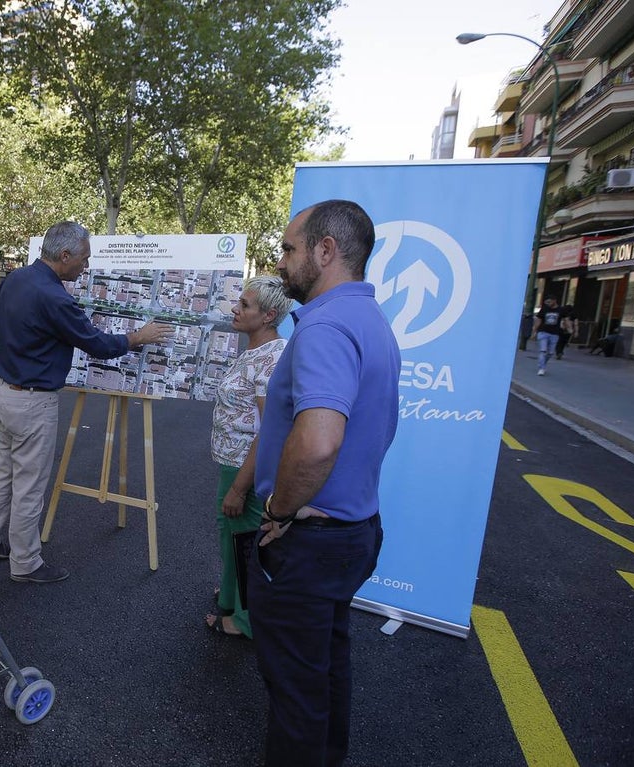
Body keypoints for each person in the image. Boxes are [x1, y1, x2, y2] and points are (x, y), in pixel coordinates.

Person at [249, 200, 399, 767]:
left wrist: (280, 512)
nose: (282, 262)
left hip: (311, 543)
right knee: (326, 667)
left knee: (296, 694)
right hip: (353, 531)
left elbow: (318, 442)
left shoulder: (327, 326)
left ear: (326, 251)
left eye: (290, 249)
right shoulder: (369, 320)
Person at [0, 221, 174, 584]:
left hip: (3, 390)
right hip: (33, 401)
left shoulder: (14, 279)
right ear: (64, 256)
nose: (86, 266)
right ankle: (26, 562)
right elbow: (95, 343)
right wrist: (137, 336)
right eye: (83, 259)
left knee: (3, 472)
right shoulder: (55, 297)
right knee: (30, 485)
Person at [205, 276, 291, 639]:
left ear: (269, 315)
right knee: (231, 534)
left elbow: (269, 430)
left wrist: (240, 487)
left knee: (247, 543)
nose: (235, 310)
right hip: (233, 462)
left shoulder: (272, 358)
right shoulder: (256, 350)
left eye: (245, 305)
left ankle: (245, 621)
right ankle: (231, 595)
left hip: (247, 468)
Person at [532, 296, 562, 375]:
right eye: (547, 302)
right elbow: (538, 320)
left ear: (554, 300)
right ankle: (541, 368)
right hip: (543, 332)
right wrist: (534, 330)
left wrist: (570, 328)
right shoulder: (544, 309)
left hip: (555, 334)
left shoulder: (560, 310)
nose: (548, 304)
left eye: (549, 302)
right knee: (543, 351)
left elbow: (566, 319)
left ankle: (542, 364)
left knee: (550, 353)